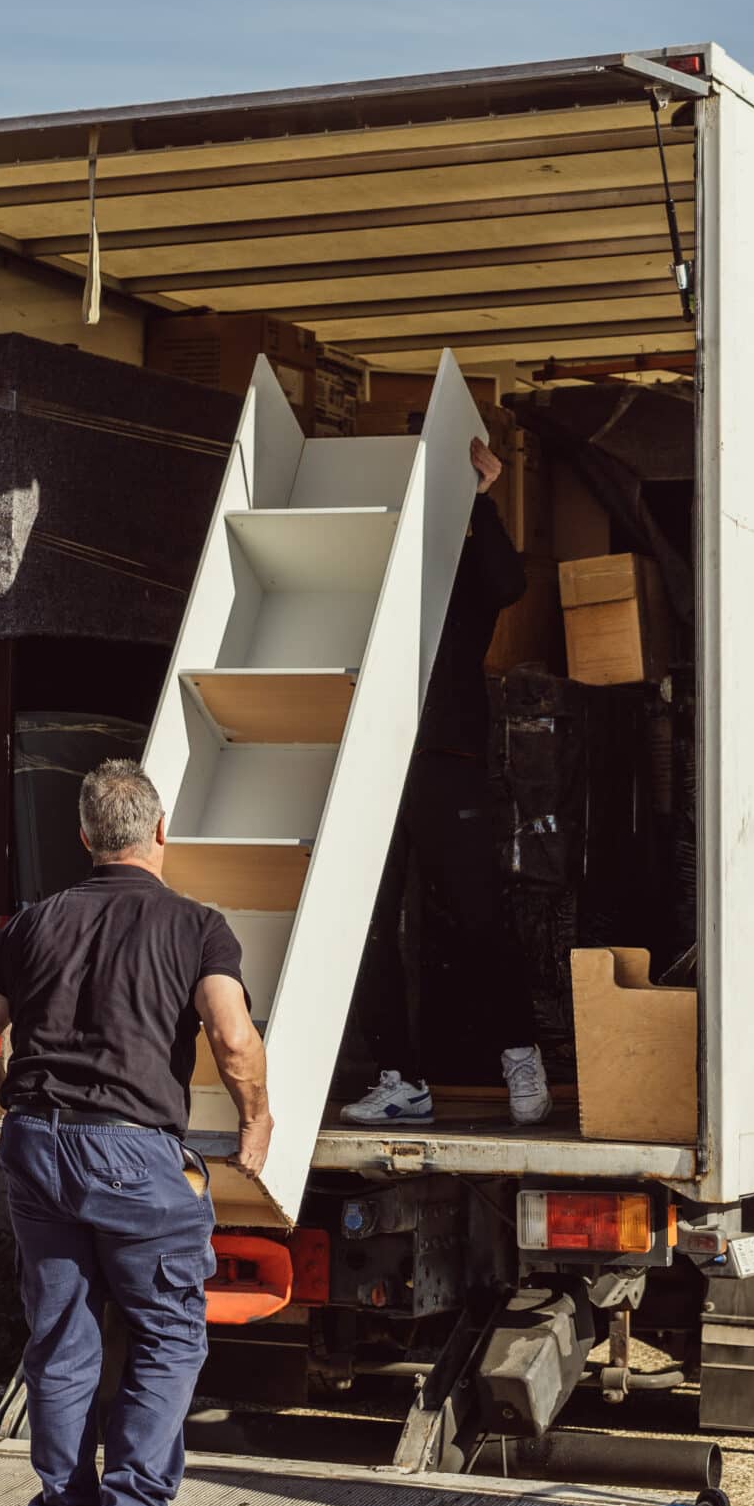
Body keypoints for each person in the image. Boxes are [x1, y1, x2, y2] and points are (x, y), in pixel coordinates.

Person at [0, 759, 270, 1506]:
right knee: (169, 1332)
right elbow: (233, 1036)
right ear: (160, 831)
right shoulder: (197, 925)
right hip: (131, 1153)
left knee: (61, 1337)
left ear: (85, 836)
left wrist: (14, 1106)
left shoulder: (30, 924)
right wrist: (256, 1119)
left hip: (35, 1145)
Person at [340, 437, 550, 1129]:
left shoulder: (456, 567)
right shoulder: (363, 572)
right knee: (369, 924)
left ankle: (520, 1055)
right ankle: (401, 1079)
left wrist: (482, 501)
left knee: (476, 914)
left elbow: (509, 584)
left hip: (444, 760)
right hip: (370, 764)